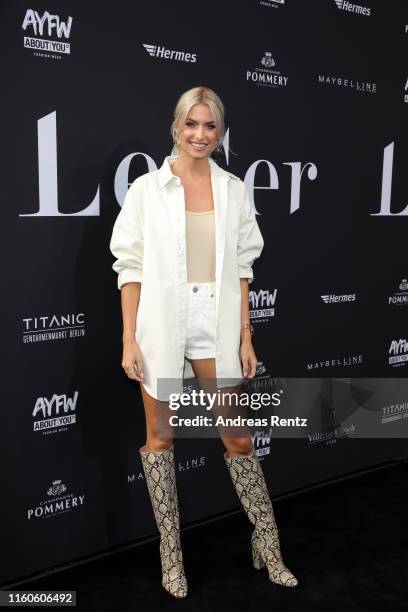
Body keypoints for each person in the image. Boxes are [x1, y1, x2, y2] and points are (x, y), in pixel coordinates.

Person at [109, 86, 298, 598]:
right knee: (161, 440)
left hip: (214, 320)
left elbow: (243, 267)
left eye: (209, 126)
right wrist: (129, 338)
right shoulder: (148, 190)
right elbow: (130, 268)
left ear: (220, 132)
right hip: (160, 322)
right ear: (175, 126)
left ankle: (269, 544)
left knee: (237, 438)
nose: (199, 135)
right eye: (191, 124)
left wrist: (245, 336)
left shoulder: (233, 189)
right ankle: (172, 559)